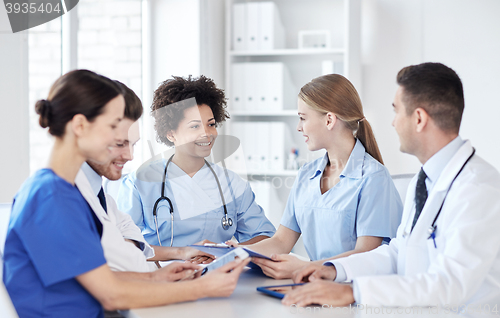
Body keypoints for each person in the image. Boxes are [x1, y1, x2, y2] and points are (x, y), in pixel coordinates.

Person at [2, 70, 249, 317]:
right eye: (113, 128)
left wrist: (157, 278)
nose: (127, 152)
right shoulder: (51, 197)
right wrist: (202, 288)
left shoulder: (69, 192)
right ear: (79, 126)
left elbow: (98, 278)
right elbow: (110, 295)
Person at [286, 62, 500, 308]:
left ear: (418, 118)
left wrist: (355, 292)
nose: (393, 123)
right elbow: (398, 252)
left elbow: (450, 284)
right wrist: (333, 269)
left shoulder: (478, 188)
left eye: (397, 112)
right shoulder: (425, 180)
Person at [230, 74, 403, 279]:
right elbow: (281, 242)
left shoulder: (374, 178)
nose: (298, 126)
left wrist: (304, 268)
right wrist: (234, 254)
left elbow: (365, 255)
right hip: (314, 285)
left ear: (329, 120)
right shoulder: (306, 174)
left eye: (303, 118)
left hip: (356, 293)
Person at [116, 75, 276, 248]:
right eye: (195, 126)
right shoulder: (140, 182)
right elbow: (125, 244)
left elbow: (265, 237)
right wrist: (182, 254)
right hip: (161, 273)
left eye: (211, 124)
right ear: (171, 134)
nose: (207, 133)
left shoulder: (232, 184)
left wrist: (233, 249)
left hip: (220, 271)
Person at [75, 81, 213, 273]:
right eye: (120, 143)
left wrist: (183, 253)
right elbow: (109, 280)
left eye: (133, 144)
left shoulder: (100, 196)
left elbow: (134, 246)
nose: (130, 156)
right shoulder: (57, 198)